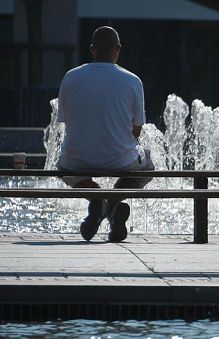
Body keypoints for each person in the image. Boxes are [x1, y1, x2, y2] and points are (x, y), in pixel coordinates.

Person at [57, 26, 154, 242]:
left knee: (63, 167)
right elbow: (137, 129)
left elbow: (66, 121)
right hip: (120, 159)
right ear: (118, 49)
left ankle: (98, 199)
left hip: (77, 160)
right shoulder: (132, 81)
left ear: (92, 49)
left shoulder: (70, 78)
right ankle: (113, 203)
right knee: (147, 167)